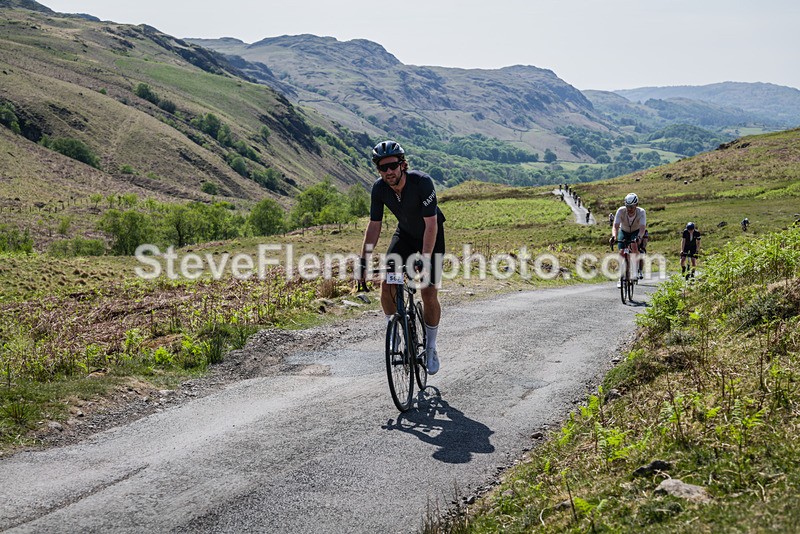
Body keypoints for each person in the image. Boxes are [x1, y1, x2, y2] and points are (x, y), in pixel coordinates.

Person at [359, 140, 446, 374]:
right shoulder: (379, 189)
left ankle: (430, 347)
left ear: (403, 165)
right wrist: (363, 260)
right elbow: (374, 225)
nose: (388, 171)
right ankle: (395, 331)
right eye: (382, 167)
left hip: (431, 236)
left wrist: (425, 260)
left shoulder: (422, 183)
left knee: (428, 291)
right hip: (405, 235)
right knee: (387, 283)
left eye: (392, 166)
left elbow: (431, 225)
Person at [611, 193, 646, 287]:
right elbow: (615, 226)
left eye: (631, 207)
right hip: (624, 231)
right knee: (621, 252)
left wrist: (639, 237)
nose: (629, 209)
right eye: (627, 206)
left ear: (636, 205)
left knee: (634, 246)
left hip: (636, 231)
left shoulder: (641, 212)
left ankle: (635, 270)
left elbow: (642, 228)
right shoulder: (621, 211)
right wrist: (614, 236)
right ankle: (621, 278)